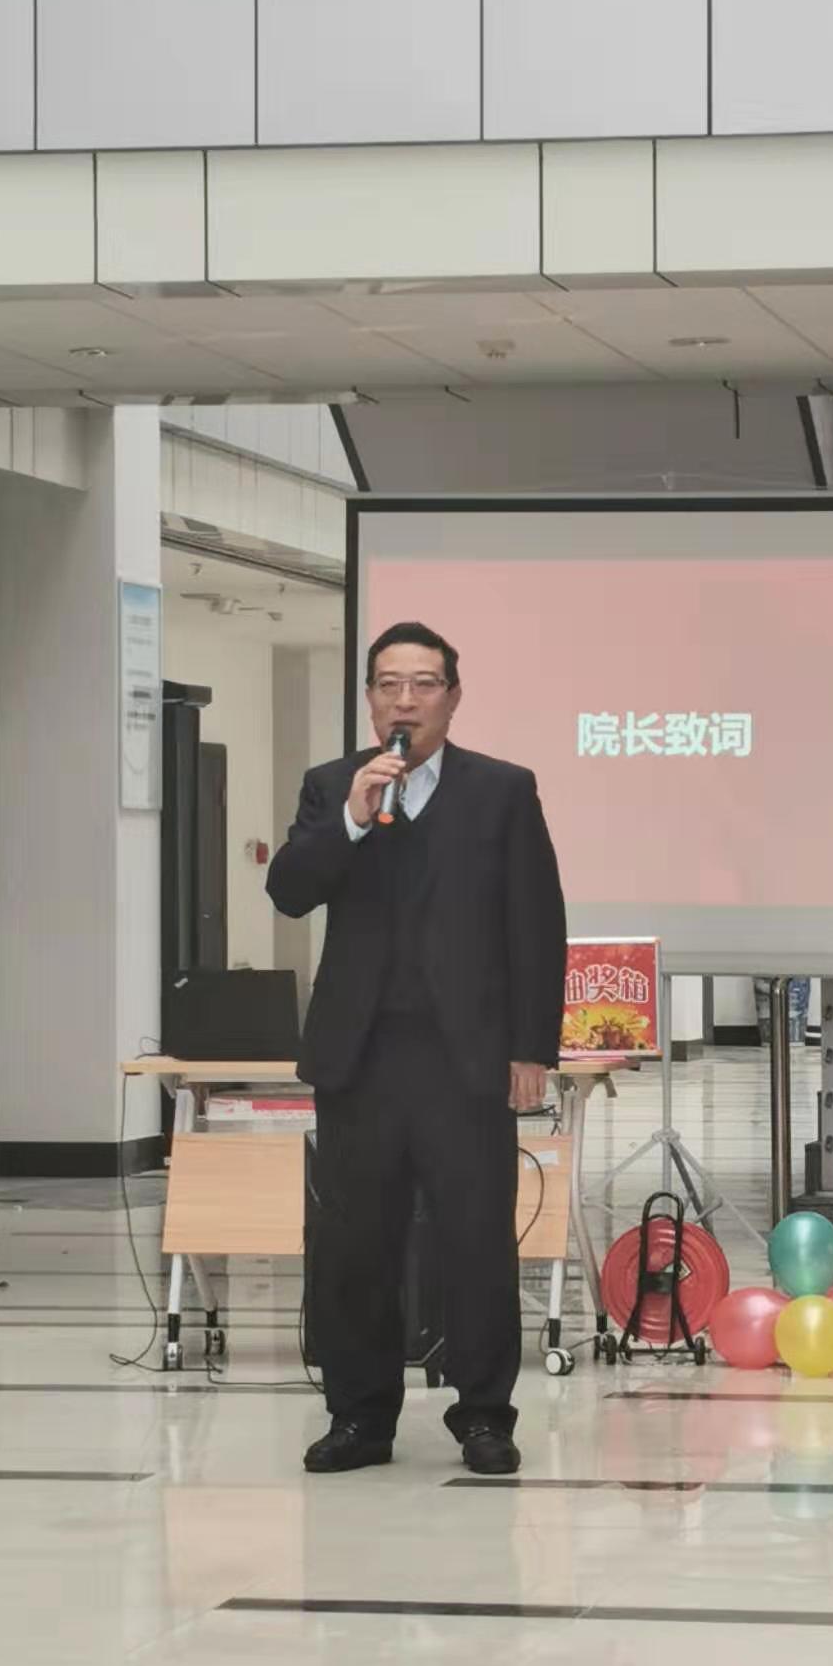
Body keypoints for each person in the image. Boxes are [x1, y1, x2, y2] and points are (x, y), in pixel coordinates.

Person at [267, 621, 566, 1477]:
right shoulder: (335, 786)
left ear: (453, 696)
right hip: (359, 1057)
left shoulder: (502, 789)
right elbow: (289, 890)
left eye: (424, 683)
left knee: (475, 1239)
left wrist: (531, 1047)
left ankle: (484, 1416)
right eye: (389, 684)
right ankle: (359, 1416)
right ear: (370, 698)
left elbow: (536, 922)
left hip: (463, 1058)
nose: (405, 700)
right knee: (354, 1244)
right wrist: (352, 821)